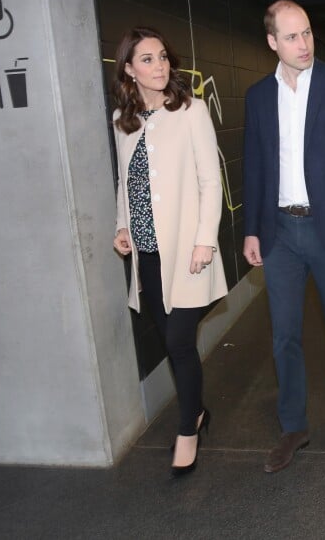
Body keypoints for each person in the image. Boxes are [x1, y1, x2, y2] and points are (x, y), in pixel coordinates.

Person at [243, 0, 325, 474]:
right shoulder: (259, 96)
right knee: (284, 334)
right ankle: (293, 425)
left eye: (307, 34)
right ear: (272, 42)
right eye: (292, 37)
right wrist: (252, 230)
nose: (304, 44)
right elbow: (254, 168)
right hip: (279, 231)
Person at [111, 26, 227, 479]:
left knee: (179, 340)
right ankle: (196, 411)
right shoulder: (124, 118)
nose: (159, 66)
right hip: (148, 253)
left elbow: (209, 179)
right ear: (128, 69)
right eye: (147, 59)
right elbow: (126, 181)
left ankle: (187, 429)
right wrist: (122, 225)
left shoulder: (191, 110)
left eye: (162, 57)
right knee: (174, 344)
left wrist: (205, 239)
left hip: (187, 249)